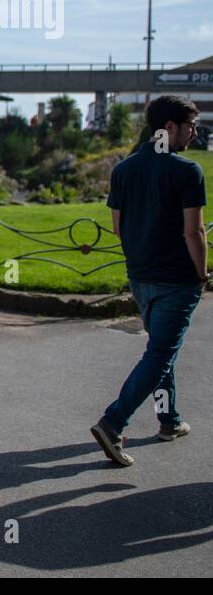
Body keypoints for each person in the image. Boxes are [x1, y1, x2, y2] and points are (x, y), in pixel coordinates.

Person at [92, 94, 207, 466]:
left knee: (162, 353)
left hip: (140, 276)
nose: (194, 133)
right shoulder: (187, 171)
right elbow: (195, 232)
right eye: (190, 126)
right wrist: (202, 273)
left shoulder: (123, 169)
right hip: (176, 279)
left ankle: (169, 421)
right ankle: (113, 422)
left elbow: (117, 227)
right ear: (169, 127)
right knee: (160, 354)